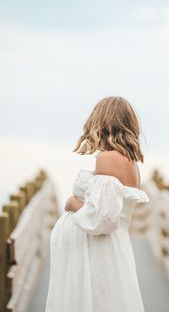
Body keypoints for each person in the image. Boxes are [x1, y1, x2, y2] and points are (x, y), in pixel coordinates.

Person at [44, 96, 150, 312]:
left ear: (102, 123)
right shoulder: (131, 163)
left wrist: (74, 203)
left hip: (97, 254)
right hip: (108, 248)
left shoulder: (108, 159)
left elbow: (103, 219)